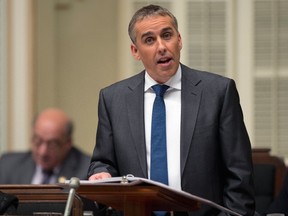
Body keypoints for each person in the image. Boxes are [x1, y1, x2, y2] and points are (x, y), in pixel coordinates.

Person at [88, 4, 255, 216]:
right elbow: (103, 162)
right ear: (135, 51)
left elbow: (239, 174)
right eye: (149, 40)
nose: (161, 46)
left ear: (179, 40)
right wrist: (101, 173)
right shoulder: (113, 99)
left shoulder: (218, 92)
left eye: (167, 35)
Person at [0, 108, 91, 184]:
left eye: (52, 144)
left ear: (68, 143)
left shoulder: (86, 171)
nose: (43, 152)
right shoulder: (7, 166)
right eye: (37, 141)